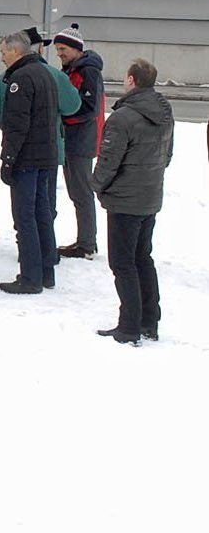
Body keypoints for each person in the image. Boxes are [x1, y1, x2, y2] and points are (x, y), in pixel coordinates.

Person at [92, 59, 175, 344]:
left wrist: (97, 186)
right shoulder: (165, 112)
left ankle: (129, 326)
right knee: (142, 257)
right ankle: (149, 320)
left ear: (130, 80)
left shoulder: (123, 117)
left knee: (123, 262)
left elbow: (108, 161)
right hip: (150, 195)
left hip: (125, 200)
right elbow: (167, 155)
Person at [0, 30, 61, 294]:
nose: (1, 58)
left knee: (25, 216)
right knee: (41, 212)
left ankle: (31, 277)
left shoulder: (20, 78)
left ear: (16, 51)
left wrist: (8, 159)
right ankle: (46, 271)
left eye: (3, 52)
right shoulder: (44, 73)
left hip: (27, 157)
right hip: (46, 154)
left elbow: (16, 125)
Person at [53, 25, 105, 260]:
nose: (59, 53)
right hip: (73, 139)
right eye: (57, 49)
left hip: (80, 140)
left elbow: (89, 107)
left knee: (81, 192)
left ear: (75, 48)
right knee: (77, 192)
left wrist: (63, 116)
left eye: (62, 48)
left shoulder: (88, 71)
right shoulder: (72, 68)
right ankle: (85, 241)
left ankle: (86, 243)